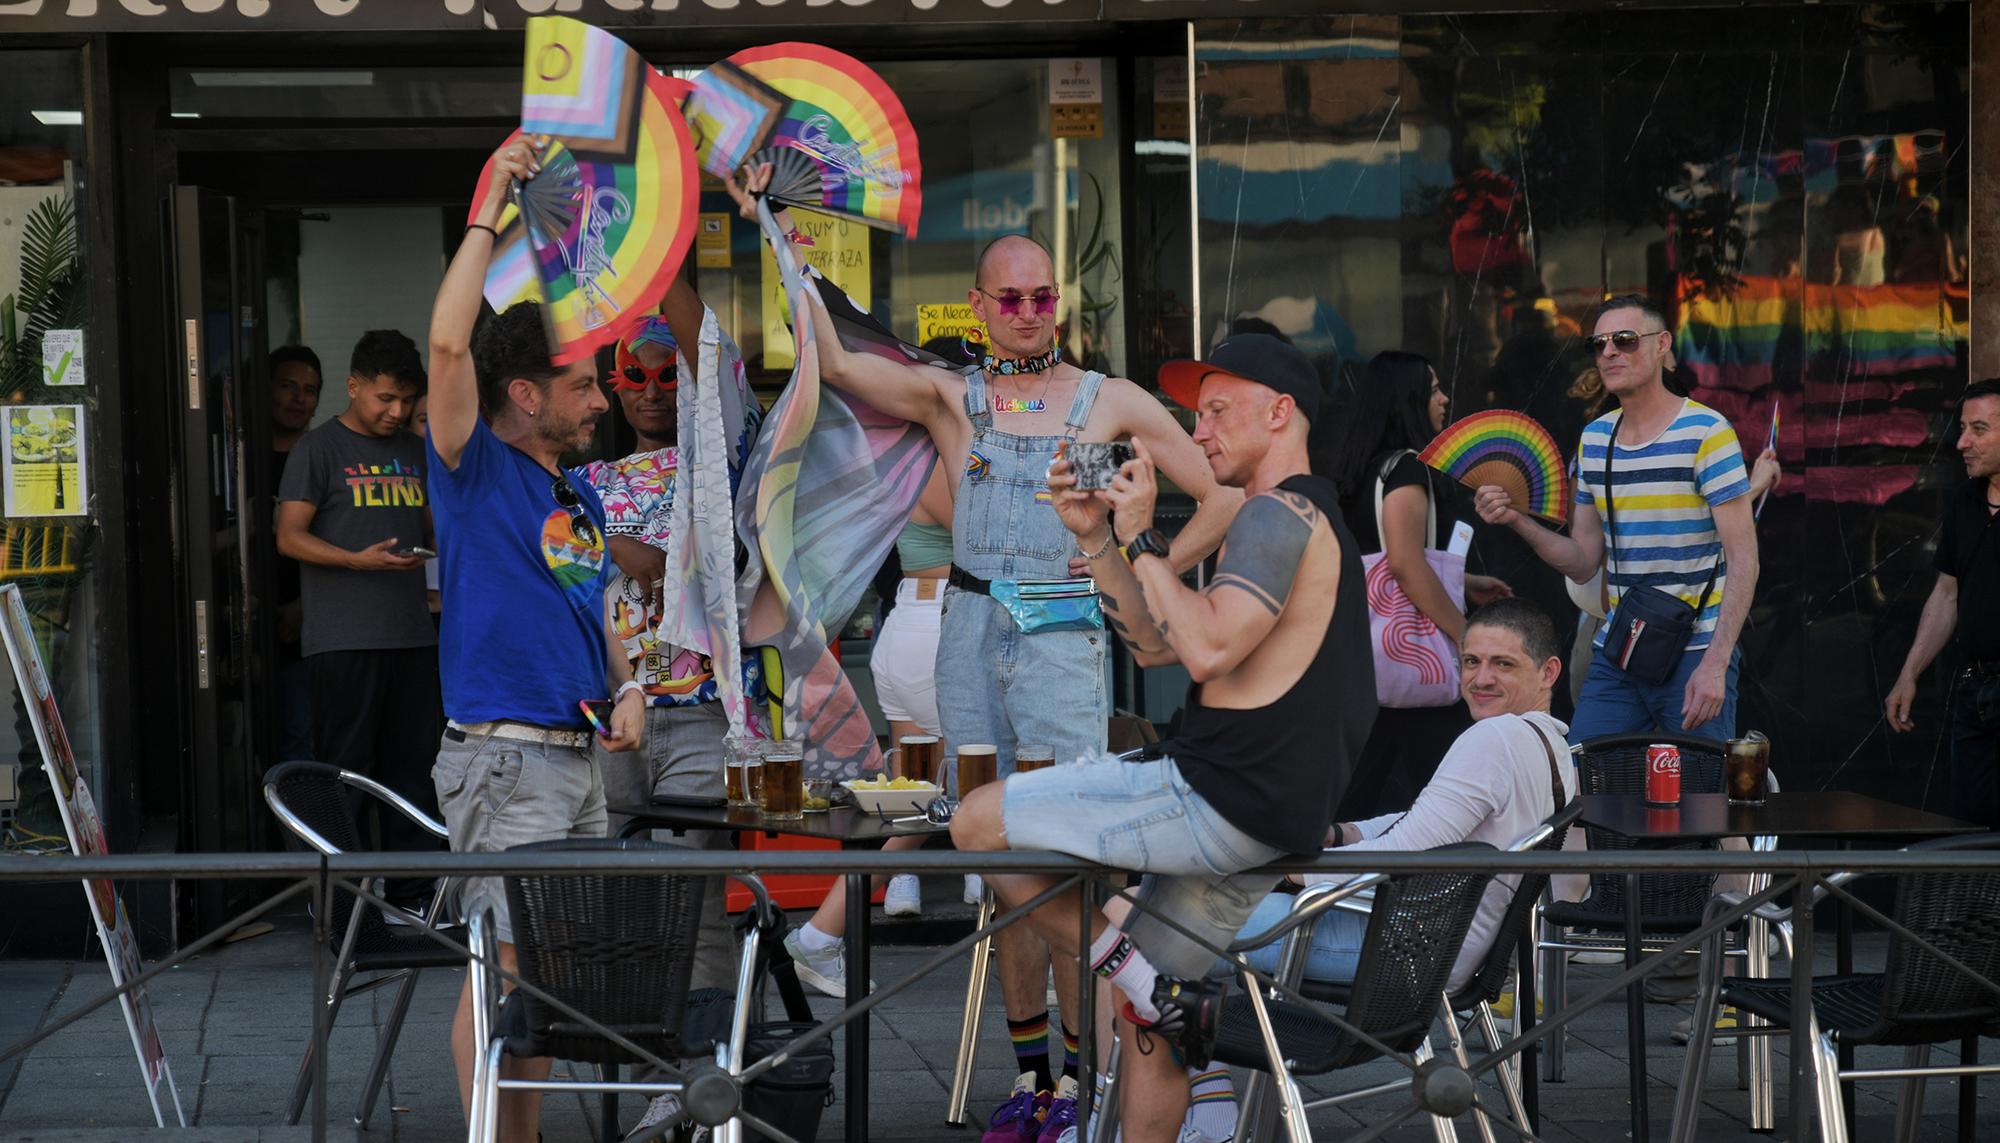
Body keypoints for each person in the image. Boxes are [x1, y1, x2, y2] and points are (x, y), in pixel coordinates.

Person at [726, 162, 1244, 1127]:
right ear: (978, 306)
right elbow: (832, 360)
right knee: (994, 855)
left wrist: (1151, 568)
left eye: (1044, 296)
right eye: (1011, 298)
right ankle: (1034, 1085)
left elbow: (1221, 491)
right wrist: (768, 219)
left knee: (1067, 856)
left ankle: (1092, 1087)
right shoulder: (952, 396)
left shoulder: (1109, 399)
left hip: (1061, 636)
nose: (1029, 311)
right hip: (966, 632)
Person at [952, 332, 1375, 1143]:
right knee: (1154, 1029)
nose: (1200, 429)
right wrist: (1098, 539)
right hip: (1266, 820)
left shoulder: (1275, 512)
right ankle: (1147, 986)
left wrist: (1147, 536)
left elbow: (1206, 647)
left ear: (1279, 412)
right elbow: (1156, 641)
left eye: (1217, 410)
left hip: (1217, 796)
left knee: (976, 821)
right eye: (1196, 412)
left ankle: (1137, 974)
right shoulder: (1298, 518)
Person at [426, 136, 645, 1143]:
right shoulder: (470, 465)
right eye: (585, 386)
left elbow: (597, 601)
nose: (602, 401)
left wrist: (629, 683)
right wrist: (488, 207)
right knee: (506, 964)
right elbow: (445, 346)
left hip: (572, 757)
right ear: (524, 394)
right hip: (505, 759)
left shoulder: (573, 489)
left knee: (545, 968)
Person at [1232, 597, 1575, 995]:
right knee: (1171, 923)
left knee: (1159, 917)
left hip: (1405, 946)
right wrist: (1343, 834)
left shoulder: (1495, 738)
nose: (1481, 679)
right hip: (1440, 941)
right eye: (1470, 662)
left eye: (1503, 664)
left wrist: (1290, 869)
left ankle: (1204, 1055)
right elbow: (1429, 823)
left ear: (1548, 672)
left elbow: (1406, 851)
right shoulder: (1552, 744)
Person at [1477, 294, 1758, 743]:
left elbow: (1744, 559)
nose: (1609, 352)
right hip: (1623, 646)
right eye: (1599, 343)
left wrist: (1716, 663)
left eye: (1625, 340)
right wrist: (1516, 519)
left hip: (1695, 648)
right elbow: (1584, 559)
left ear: (1662, 345)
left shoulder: (1707, 432)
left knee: (1697, 801)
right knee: (1587, 781)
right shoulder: (1595, 439)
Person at [275, 329, 440, 911]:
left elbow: (430, 530)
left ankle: (417, 902)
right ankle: (345, 908)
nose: (396, 412)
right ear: (354, 387)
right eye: (385, 399)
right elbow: (288, 537)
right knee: (347, 778)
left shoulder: (416, 449)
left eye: (405, 401)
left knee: (415, 776)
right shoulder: (317, 450)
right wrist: (356, 560)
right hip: (341, 640)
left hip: (413, 636)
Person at [785, 464, 957, 999]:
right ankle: (1053, 954)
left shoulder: (904, 455)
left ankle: (820, 932)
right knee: (975, 795)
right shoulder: (945, 454)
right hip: (944, 627)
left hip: (908, 621)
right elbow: (992, 539)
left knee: (917, 807)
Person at [1327, 350, 1512, 819]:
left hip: (1362, 654)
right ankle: (1461, 883)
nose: (1444, 398)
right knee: (1453, 791)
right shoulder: (1407, 468)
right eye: (1432, 389)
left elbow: (1377, 558)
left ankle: (1319, 876)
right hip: (1413, 659)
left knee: (1360, 793)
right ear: (1406, 399)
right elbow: (1406, 564)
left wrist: (1464, 581)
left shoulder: (1359, 468)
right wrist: (1466, 636)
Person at [1886, 378, 2000, 829]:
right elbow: (1946, 594)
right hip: (1974, 692)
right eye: (1962, 429)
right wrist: (1909, 672)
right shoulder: (1964, 502)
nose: (1962, 443)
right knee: (1971, 832)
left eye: (1978, 430)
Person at [269, 344, 323, 762]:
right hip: (234, 626)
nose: (299, 398)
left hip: (304, 625)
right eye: (288, 386)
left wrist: (307, 606)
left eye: (310, 389)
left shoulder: (322, 458)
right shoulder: (233, 457)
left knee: (300, 739)